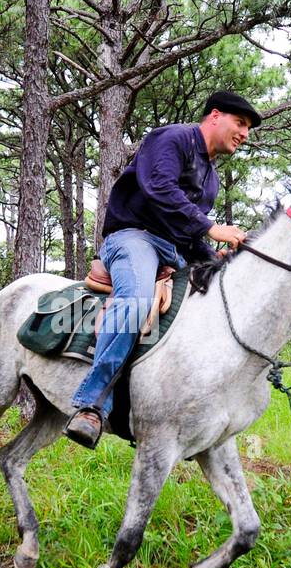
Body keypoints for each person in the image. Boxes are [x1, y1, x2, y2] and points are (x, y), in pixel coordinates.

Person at [64, 90, 260, 448]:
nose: (245, 133)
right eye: (240, 123)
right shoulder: (172, 138)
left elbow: (186, 232)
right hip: (132, 238)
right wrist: (211, 228)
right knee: (137, 302)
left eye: (248, 128)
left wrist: (212, 259)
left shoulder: (211, 178)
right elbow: (159, 187)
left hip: (173, 252)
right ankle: (91, 406)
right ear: (214, 116)